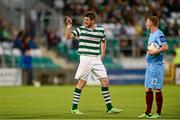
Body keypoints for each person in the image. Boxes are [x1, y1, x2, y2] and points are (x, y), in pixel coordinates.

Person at [65, 11, 122, 114]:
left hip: (96, 59)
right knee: (81, 83)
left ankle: (109, 108)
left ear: (93, 21)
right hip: (85, 58)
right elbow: (68, 37)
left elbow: (103, 40)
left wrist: (103, 53)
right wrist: (69, 26)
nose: (85, 21)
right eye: (84, 20)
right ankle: (74, 108)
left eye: (87, 20)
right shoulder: (81, 29)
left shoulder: (100, 30)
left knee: (105, 81)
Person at [138, 16, 168, 119]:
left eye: (147, 22)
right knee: (148, 89)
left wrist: (155, 51)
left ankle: (158, 113)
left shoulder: (159, 33)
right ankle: (147, 112)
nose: (145, 24)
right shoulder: (151, 34)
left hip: (156, 66)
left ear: (151, 23)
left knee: (157, 89)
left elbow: (165, 47)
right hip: (150, 66)